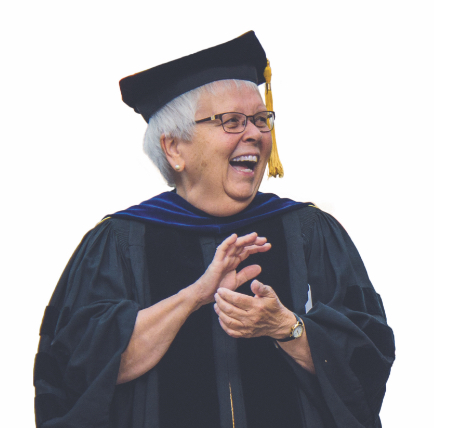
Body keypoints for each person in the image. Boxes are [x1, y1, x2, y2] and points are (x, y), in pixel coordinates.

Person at [33, 31, 394, 428]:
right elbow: (75, 375)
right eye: (231, 121)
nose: (254, 134)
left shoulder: (310, 232)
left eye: (260, 119)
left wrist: (287, 327)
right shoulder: (118, 242)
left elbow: (366, 362)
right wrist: (192, 297)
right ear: (174, 148)